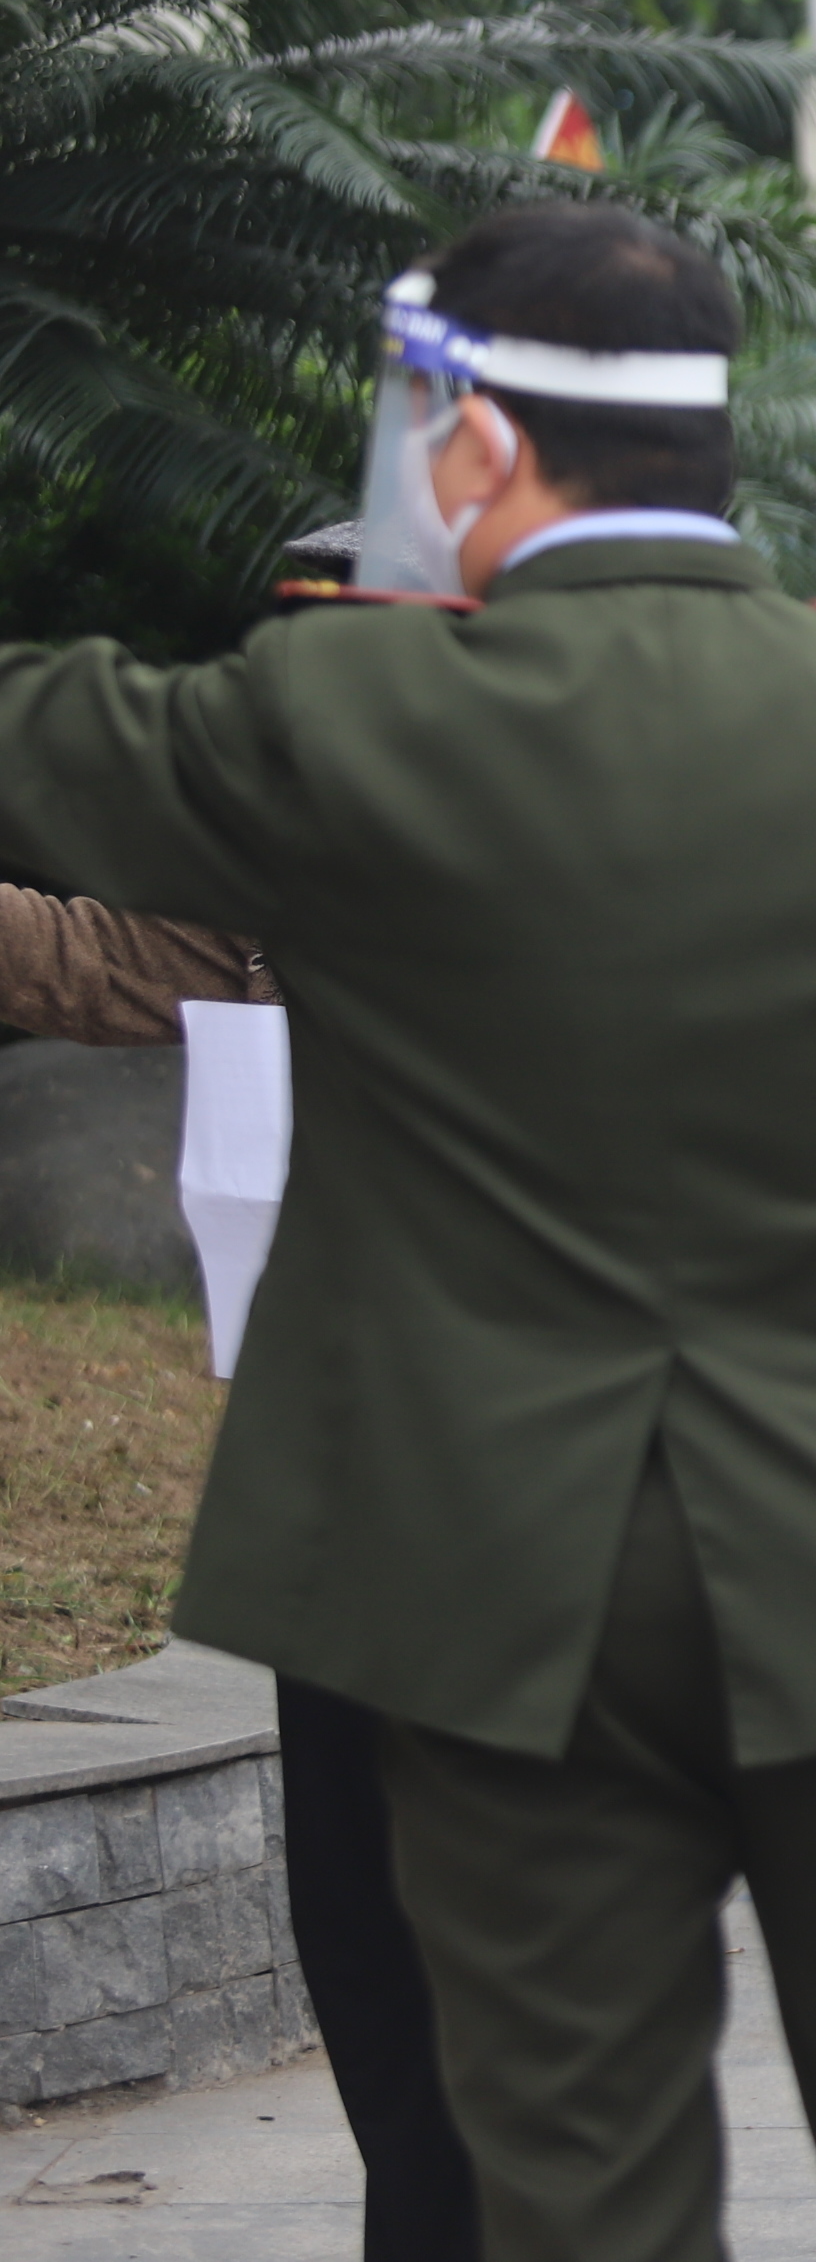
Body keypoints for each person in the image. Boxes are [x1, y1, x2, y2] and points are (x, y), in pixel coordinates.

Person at [0, 203, 816, 2260]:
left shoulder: (344, 720)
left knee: (579, 2194)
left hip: (488, 1600)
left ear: (479, 443)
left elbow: (44, 735)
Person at [0, 883, 485, 2259]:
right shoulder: (316, 879)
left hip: (569, 1480)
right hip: (342, 1474)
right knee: (367, 1935)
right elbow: (89, 959)